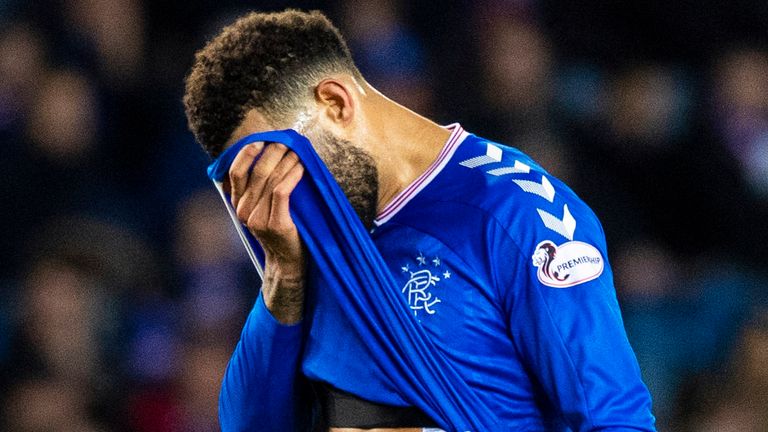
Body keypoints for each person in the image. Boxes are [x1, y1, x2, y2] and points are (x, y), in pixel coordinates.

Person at [183, 9, 655, 432]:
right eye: (248, 183)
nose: (271, 200)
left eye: (275, 166)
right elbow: (248, 423)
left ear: (335, 103)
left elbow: (614, 419)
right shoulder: (312, 248)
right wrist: (283, 278)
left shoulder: (517, 211)